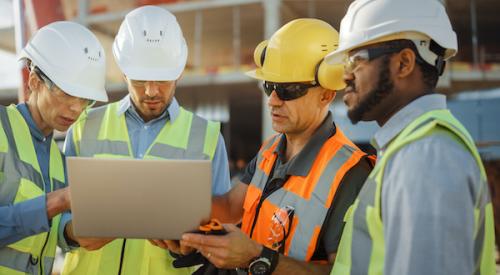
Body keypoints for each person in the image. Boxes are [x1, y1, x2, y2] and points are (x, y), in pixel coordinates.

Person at [177, 18, 373, 274]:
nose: (273, 100)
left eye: (289, 89)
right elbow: (229, 208)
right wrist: (176, 214)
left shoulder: (349, 174)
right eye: (269, 86)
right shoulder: (269, 150)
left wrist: (258, 259)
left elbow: (346, 271)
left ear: (326, 94)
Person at [323, 0, 496, 274]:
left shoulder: (426, 157)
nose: (345, 75)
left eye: (357, 60)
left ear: (404, 63)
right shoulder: (413, 148)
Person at [60, 6, 231, 275]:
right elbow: (58, 215)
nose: (151, 91)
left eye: (162, 80)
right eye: (140, 80)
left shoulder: (207, 137)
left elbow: (223, 225)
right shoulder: (84, 127)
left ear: (179, 72)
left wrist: (195, 243)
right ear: (124, 72)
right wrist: (71, 233)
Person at [0, 21, 108, 274]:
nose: (76, 108)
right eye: (66, 93)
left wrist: (79, 233)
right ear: (35, 81)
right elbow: (50, 207)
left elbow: (53, 232)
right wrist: (59, 200)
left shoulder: (58, 160)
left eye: (85, 99)